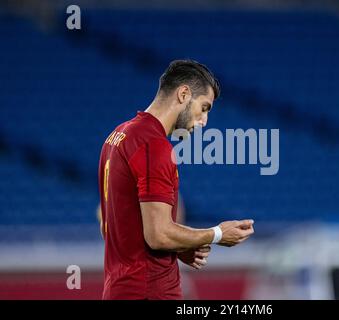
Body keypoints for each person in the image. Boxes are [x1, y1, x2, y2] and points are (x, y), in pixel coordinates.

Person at [98, 59, 254, 300]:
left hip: (120, 288)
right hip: (150, 292)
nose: (204, 122)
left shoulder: (117, 137)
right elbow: (158, 235)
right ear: (183, 94)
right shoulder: (154, 146)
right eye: (204, 108)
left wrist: (178, 248)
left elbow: (115, 228)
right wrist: (218, 234)